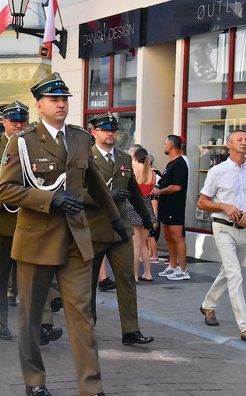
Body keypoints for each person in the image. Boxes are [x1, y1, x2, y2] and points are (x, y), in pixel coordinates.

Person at [0, 73, 127, 396]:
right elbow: (6, 191)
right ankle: (35, 381)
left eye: (64, 99)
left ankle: (91, 386)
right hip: (36, 240)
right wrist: (50, 198)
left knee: (82, 314)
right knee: (29, 318)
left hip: (76, 240)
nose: (61, 104)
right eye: (54, 100)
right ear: (39, 106)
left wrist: (116, 221)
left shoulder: (81, 138)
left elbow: (96, 184)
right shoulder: (23, 141)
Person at [87, 113, 155, 346]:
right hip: (94, 229)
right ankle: (87, 327)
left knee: (126, 279)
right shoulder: (85, 157)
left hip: (121, 230)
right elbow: (76, 193)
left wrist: (147, 218)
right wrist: (106, 196)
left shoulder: (123, 159)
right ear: (94, 131)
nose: (110, 134)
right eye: (105, 130)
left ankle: (130, 330)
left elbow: (134, 190)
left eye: (113, 130)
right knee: (88, 283)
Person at [197, 130, 246, 342]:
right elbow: (202, 201)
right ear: (229, 145)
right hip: (223, 227)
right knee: (235, 274)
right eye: (240, 140)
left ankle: (208, 305)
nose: (245, 142)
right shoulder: (217, 171)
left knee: (228, 271)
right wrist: (224, 206)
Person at [151, 135, 189, 280]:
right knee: (168, 236)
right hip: (166, 205)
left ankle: (183, 269)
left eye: (165, 144)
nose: (164, 146)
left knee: (177, 236)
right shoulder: (170, 164)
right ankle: (172, 266)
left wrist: (160, 191)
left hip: (175, 206)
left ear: (171, 146)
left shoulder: (180, 164)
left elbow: (177, 186)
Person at [129, 147, 159, 282]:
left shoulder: (134, 170)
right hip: (147, 206)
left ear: (135, 157)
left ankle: (134, 275)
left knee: (135, 245)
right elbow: (151, 191)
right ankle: (148, 273)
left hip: (133, 205)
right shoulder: (152, 173)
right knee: (143, 244)